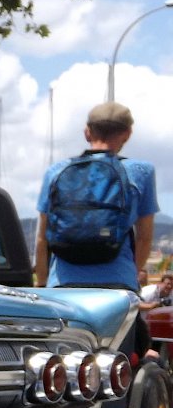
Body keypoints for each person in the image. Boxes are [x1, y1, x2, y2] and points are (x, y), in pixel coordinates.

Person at [35, 101, 158, 293]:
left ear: (87, 132)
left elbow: (42, 238)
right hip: (118, 284)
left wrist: (42, 282)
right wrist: (131, 275)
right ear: (127, 134)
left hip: (63, 283)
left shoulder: (56, 171)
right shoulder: (141, 172)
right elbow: (145, 237)